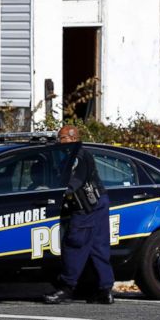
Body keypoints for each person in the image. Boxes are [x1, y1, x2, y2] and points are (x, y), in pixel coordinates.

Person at [44, 124, 115, 304]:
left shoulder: (78, 156)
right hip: (99, 202)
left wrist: (60, 192)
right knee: (98, 247)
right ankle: (105, 290)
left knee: (74, 243)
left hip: (86, 206)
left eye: (62, 138)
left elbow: (76, 180)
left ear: (73, 138)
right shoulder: (75, 155)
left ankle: (66, 287)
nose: (59, 141)